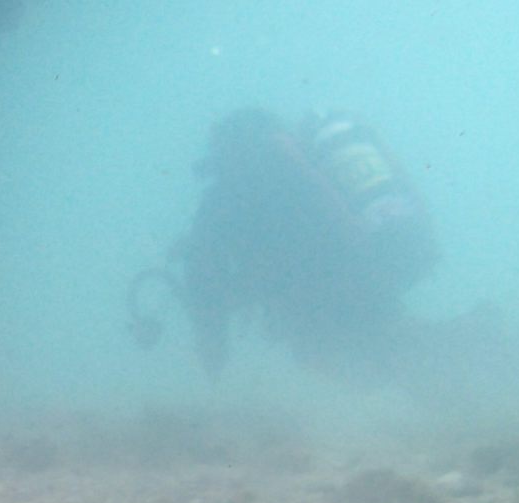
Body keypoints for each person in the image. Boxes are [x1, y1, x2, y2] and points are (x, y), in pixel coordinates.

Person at [145, 107, 438, 379]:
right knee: (389, 350)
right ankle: (444, 363)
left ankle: (439, 368)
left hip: (323, 295)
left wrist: (212, 342)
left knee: (355, 360)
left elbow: (205, 274)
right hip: (371, 269)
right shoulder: (305, 172)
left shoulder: (226, 197)